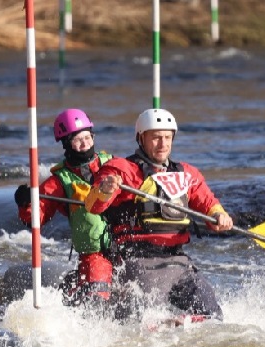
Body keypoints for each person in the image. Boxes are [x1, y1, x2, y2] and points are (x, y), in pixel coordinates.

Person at [83, 108, 234, 321]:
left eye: (167, 137)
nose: (163, 144)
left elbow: (208, 203)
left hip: (178, 262)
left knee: (213, 317)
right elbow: (92, 205)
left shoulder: (186, 174)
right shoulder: (121, 169)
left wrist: (220, 216)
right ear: (141, 138)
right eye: (155, 138)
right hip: (138, 261)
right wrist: (105, 190)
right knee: (148, 323)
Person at [13, 108, 114, 306]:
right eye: (78, 139)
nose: (85, 144)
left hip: (126, 244)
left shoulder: (112, 164)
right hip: (94, 256)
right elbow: (34, 217)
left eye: (88, 137)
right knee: (97, 301)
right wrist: (25, 201)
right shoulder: (59, 181)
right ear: (67, 144)